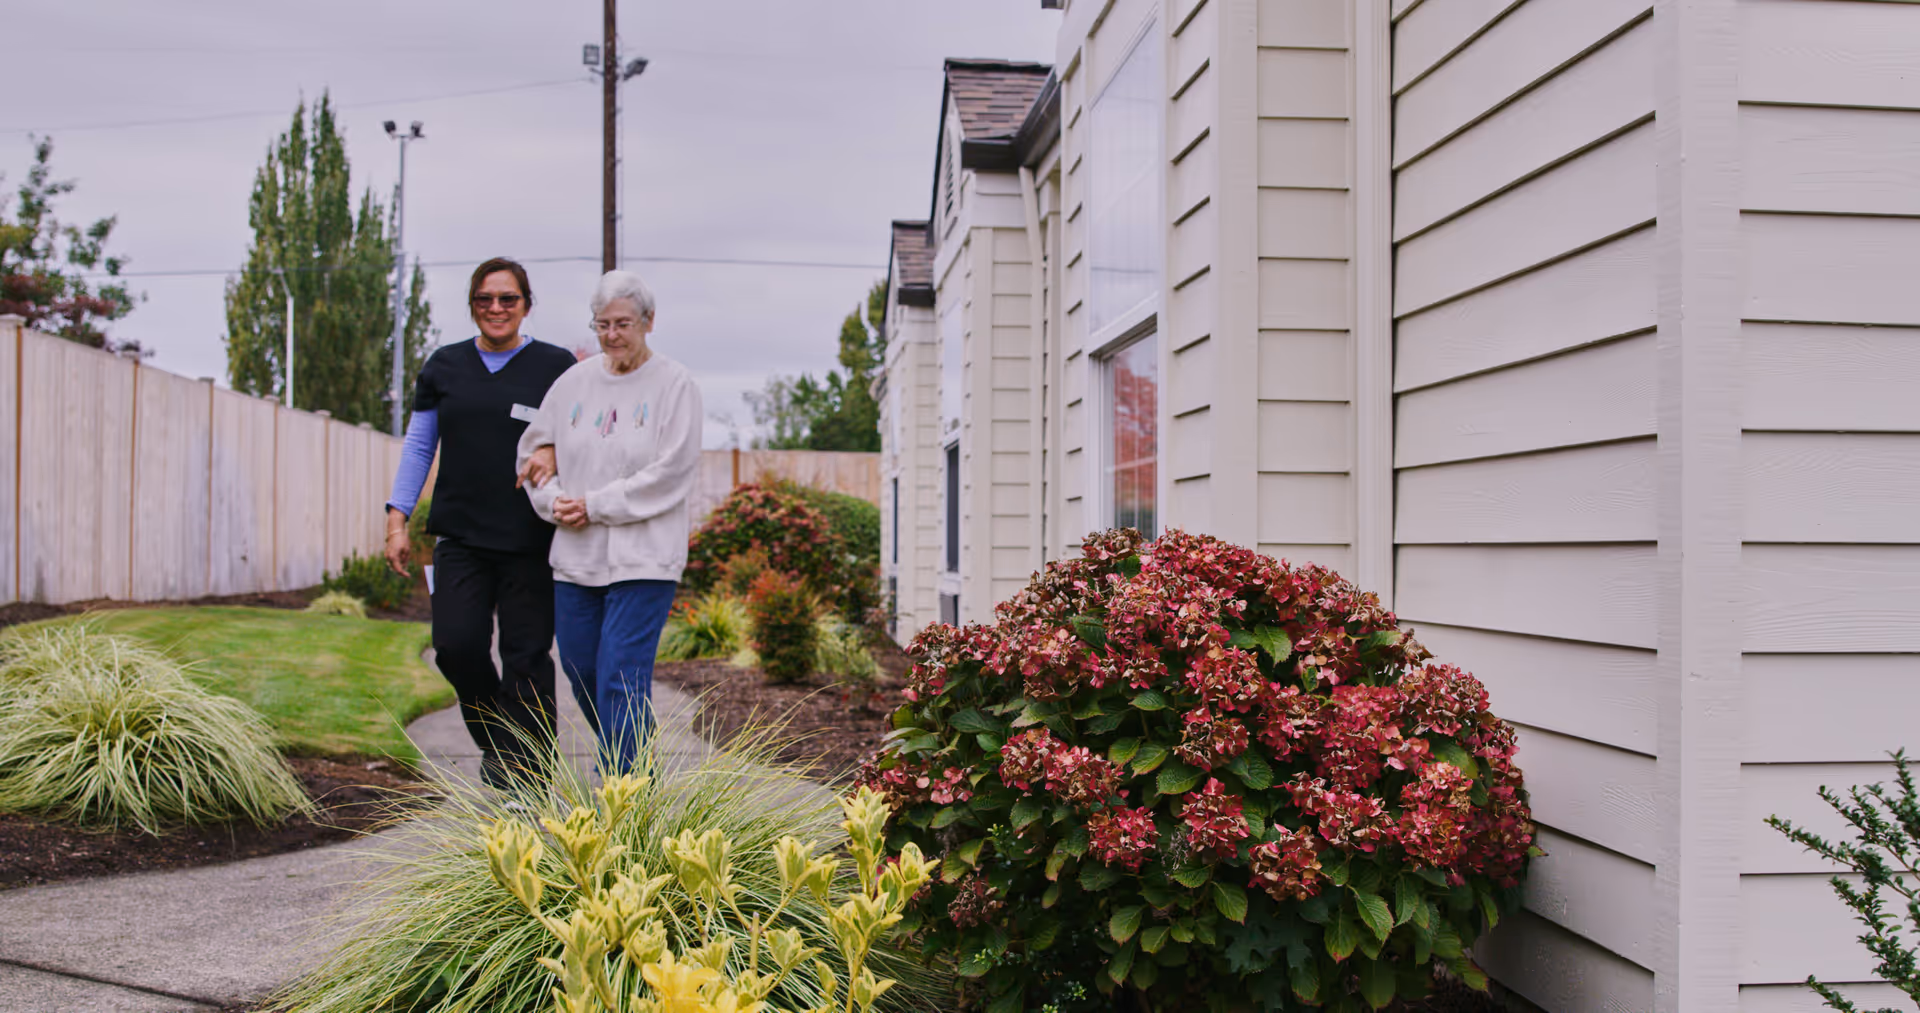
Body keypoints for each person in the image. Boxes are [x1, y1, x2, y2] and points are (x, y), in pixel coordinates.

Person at [384, 257, 579, 789]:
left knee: (526, 658)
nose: (496, 309)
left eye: (507, 299)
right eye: (485, 299)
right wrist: (396, 520)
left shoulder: (555, 365)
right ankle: (502, 746)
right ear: (472, 305)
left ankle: (530, 776)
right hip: (461, 538)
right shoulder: (443, 367)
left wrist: (556, 455)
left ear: (526, 306)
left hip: (530, 538)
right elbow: (420, 445)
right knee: (457, 646)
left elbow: (577, 436)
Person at [515, 270, 703, 774]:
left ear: (648, 322)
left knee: (620, 676)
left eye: (623, 323)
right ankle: (635, 759)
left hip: (645, 560)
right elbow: (532, 456)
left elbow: (672, 472)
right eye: (602, 324)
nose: (612, 335)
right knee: (582, 673)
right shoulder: (573, 382)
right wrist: (552, 501)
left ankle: (622, 793)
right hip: (577, 558)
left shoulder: (675, 384)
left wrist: (595, 504)